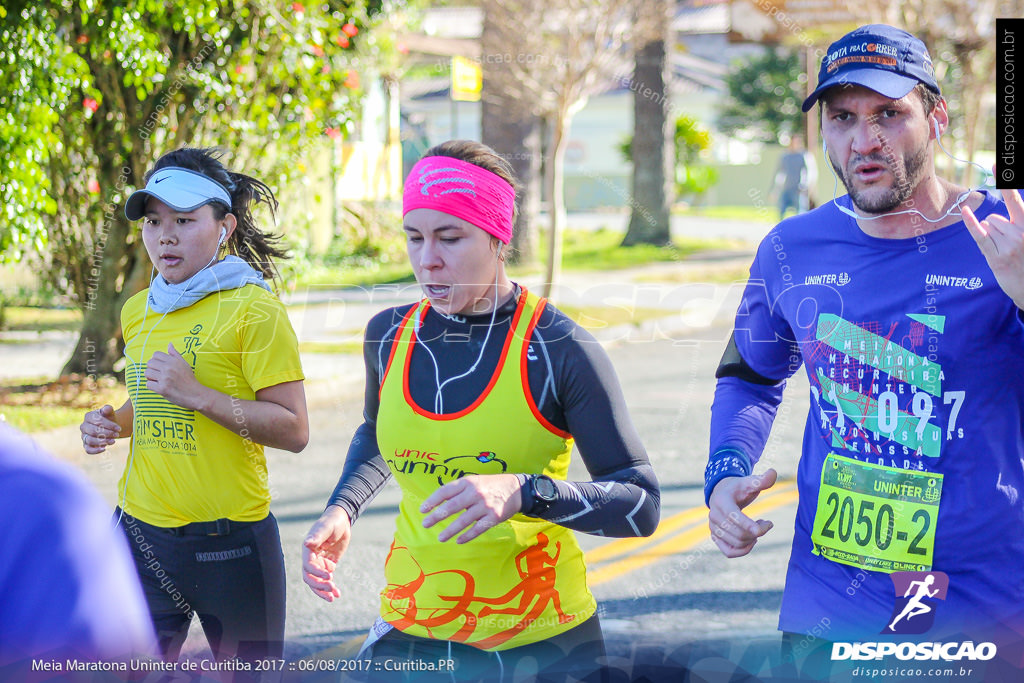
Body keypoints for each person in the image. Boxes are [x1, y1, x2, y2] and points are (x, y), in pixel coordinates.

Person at [706, 22, 1024, 662]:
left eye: (889, 114)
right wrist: (724, 472)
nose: (864, 140)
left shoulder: (1008, 231)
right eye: (842, 117)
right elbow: (752, 376)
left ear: (935, 117)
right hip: (834, 601)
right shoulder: (790, 250)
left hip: (991, 601)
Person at [302, 140, 660, 682]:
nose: (428, 259)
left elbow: (642, 504)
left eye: (450, 237)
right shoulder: (389, 334)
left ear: (498, 238)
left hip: (543, 642)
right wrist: (343, 507)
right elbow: (381, 433)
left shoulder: (560, 348)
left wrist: (525, 491)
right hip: (415, 629)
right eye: (414, 237)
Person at [79, 147, 308, 664]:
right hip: (140, 536)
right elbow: (152, 401)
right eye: (154, 221)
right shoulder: (141, 309)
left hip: (231, 547)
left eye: (185, 220)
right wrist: (110, 424)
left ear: (225, 226)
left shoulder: (255, 309)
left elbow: (294, 429)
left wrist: (198, 395)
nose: (165, 236)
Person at [0, 424, 155, 666]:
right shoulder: (44, 498)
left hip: (219, 530)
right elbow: (142, 405)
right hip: (143, 524)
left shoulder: (38, 500)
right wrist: (106, 423)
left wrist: (199, 399)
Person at [770, 137, 817, 220]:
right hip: (786, 189)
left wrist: (807, 186)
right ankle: (781, 231)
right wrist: (775, 189)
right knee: (781, 211)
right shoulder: (785, 156)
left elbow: (810, 172)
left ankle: (801, 231)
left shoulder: (804, 156)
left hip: (799, 190)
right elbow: (779, 173)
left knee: (801, 213)